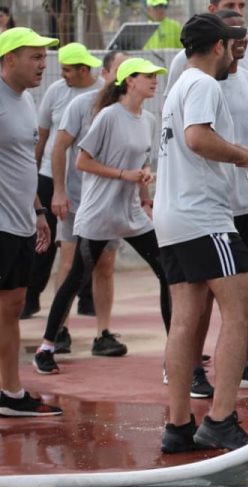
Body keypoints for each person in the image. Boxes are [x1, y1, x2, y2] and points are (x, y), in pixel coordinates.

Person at [155, 13, 248, 453]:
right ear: (218, 46)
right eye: (231, 44)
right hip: (204, 217)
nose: (236, 53)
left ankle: (178, 425)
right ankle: (220, 419)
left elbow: (213, 142)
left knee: (185, 320)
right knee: (239, 310)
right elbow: (200, 140)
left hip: (173, 217)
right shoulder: (204, 84)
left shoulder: (179, 86)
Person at [33, 58, 173, 374]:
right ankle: (46, 348)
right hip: (97, 214)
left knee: (168, 272)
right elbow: (82, 161)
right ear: (128, 81)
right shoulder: (109, 116)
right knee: (75, 278)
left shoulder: (149, 119)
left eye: (155, 76)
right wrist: (124, 174)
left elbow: (142, 163)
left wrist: (144, 190)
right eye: (147, 76)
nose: (154, 81)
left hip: (131, 214)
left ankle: (177, 351)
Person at [0, 27, 62, 417]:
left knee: (13, 307)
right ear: (9, 60)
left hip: (20, 221)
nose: (43, 64)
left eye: (44, 56)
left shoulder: (25, 100)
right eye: (35, 57)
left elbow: (23, 163)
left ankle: (10, 392)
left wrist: (38, 211)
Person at [23, 43, 102, 320]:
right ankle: (31, 299)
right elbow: (43, 136)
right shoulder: (56, 92)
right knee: (44, 243)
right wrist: (33, 173)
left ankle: (87, 299)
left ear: (83, 70)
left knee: (89, 244)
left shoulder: (102, 92)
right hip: (49, 176)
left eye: (67, 70)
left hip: (86, 182)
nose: (62, 75)